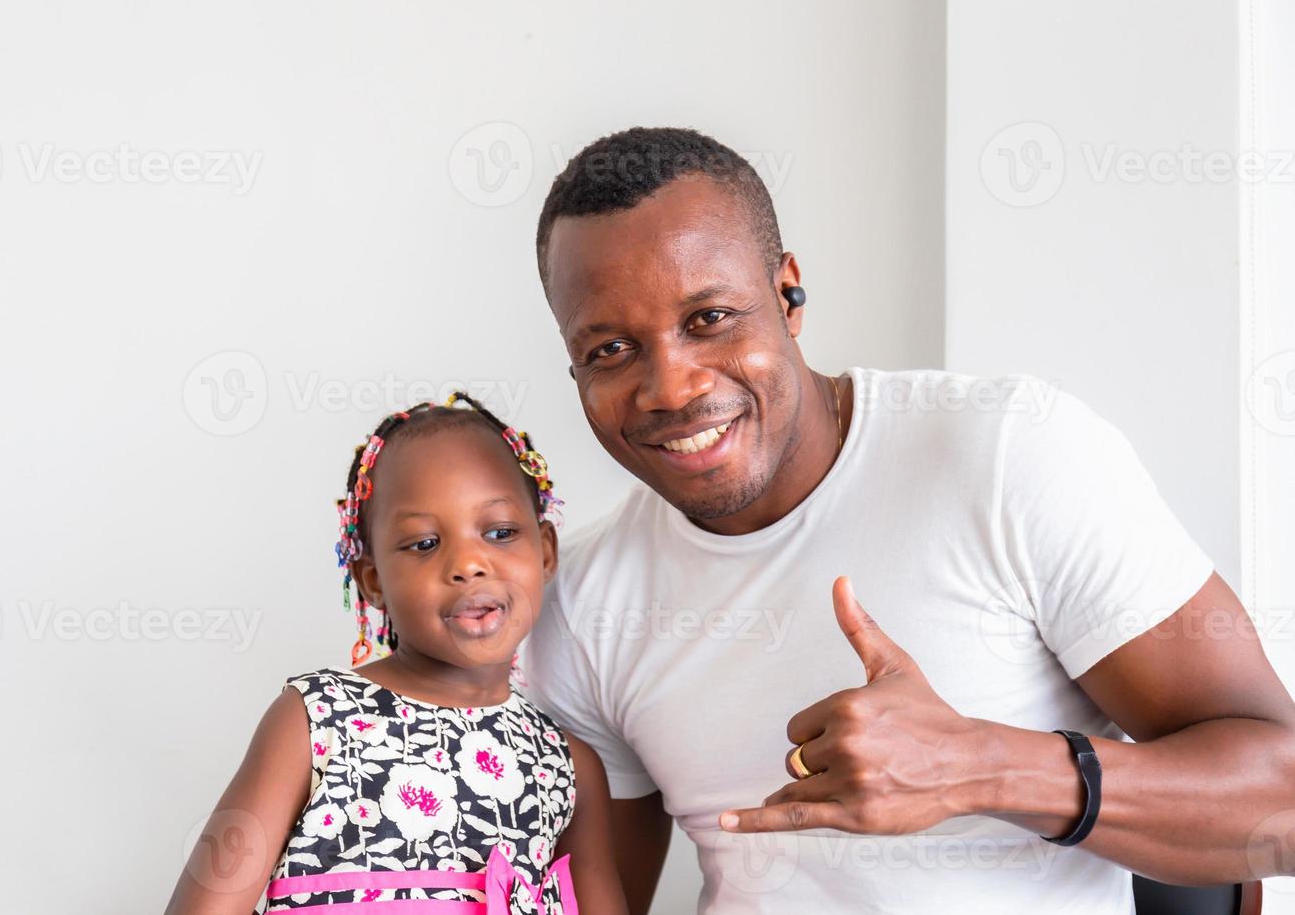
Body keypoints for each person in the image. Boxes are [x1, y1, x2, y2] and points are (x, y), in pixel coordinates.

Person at [520, 126, 1295, 913]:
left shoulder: (1005, 455)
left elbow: (1284, 809)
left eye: (709, 318)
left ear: (788, 292)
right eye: (612, 349)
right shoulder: (579, 602)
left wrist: (981, 766)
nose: (672, 387)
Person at [164, 394, 628, 915]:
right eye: (424, 544)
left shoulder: (567, 766)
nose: (469, 563)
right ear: (373, 581)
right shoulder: (316, 719)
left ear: (545, 551)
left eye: (499, 533)